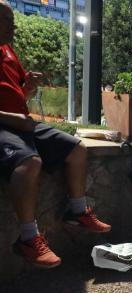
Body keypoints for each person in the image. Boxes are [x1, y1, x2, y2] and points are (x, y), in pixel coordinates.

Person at [0, 0, 110, 269]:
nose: (13, 27)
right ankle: (28, 238)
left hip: (21, 123)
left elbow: (19, 94)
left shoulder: (8, 51)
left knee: (76, 148)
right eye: (8, 21)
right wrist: (15, 119)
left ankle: (77, 210)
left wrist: (30, 86)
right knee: (29, 163)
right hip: (6, 125)